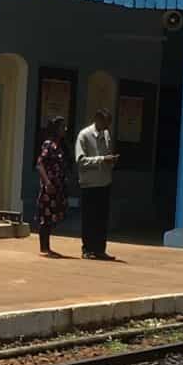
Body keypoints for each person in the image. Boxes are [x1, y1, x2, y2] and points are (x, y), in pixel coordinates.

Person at [74, 105, 118, 259]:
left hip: (104, 183)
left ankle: (100, 249)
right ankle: (87, 249)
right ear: (97, 120)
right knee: (89, 218)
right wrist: (102, 160)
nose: (108, 126)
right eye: (106, 122)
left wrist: (110, 161)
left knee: (102, 218)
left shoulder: (106, 134)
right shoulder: (84, 136)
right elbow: (81, 161)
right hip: (89, 184)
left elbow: (106, 154)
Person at [33, 120, 69, 255]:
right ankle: (44, 247)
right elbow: (40, 164)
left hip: (58, 186)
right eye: (62, 127)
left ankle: (47, 246)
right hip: (49, 186)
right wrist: (47, 182)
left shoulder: (60, 146)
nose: (64, 129)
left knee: (54, 214)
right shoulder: (48, 144)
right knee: (46, 215)